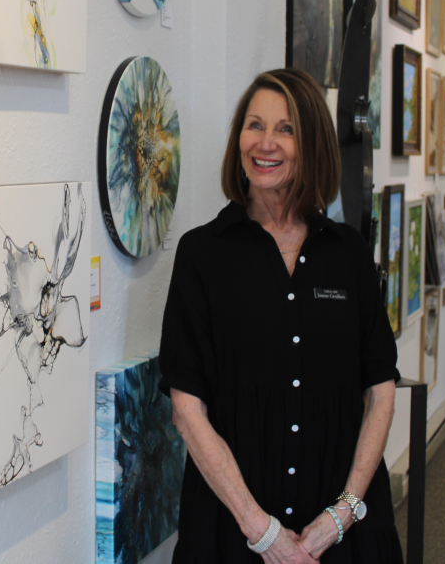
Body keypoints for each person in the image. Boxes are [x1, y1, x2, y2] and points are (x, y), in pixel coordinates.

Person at [159, 68, 403, 563]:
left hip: (344, 534)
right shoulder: (202, 256)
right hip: (231, 532)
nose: (265, 142)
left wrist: (342, 515)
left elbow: (380, 393)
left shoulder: (350, 255)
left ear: (311, 142)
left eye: (285, 129)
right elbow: (187, 410)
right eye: (254, 125)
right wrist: (263, 532)